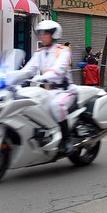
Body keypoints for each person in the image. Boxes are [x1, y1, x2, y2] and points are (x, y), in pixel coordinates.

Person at [20, 20, 75, 154]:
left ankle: (66, 139)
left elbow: (59, 68)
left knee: (56, 106)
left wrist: (43, 77)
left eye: (45, 33)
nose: (42, 36)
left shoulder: (63, 51)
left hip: (63, 91)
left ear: (53, 34)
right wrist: (10, 76)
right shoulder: (39, 53)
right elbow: (28, 70)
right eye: (40, 33)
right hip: (44, 91)